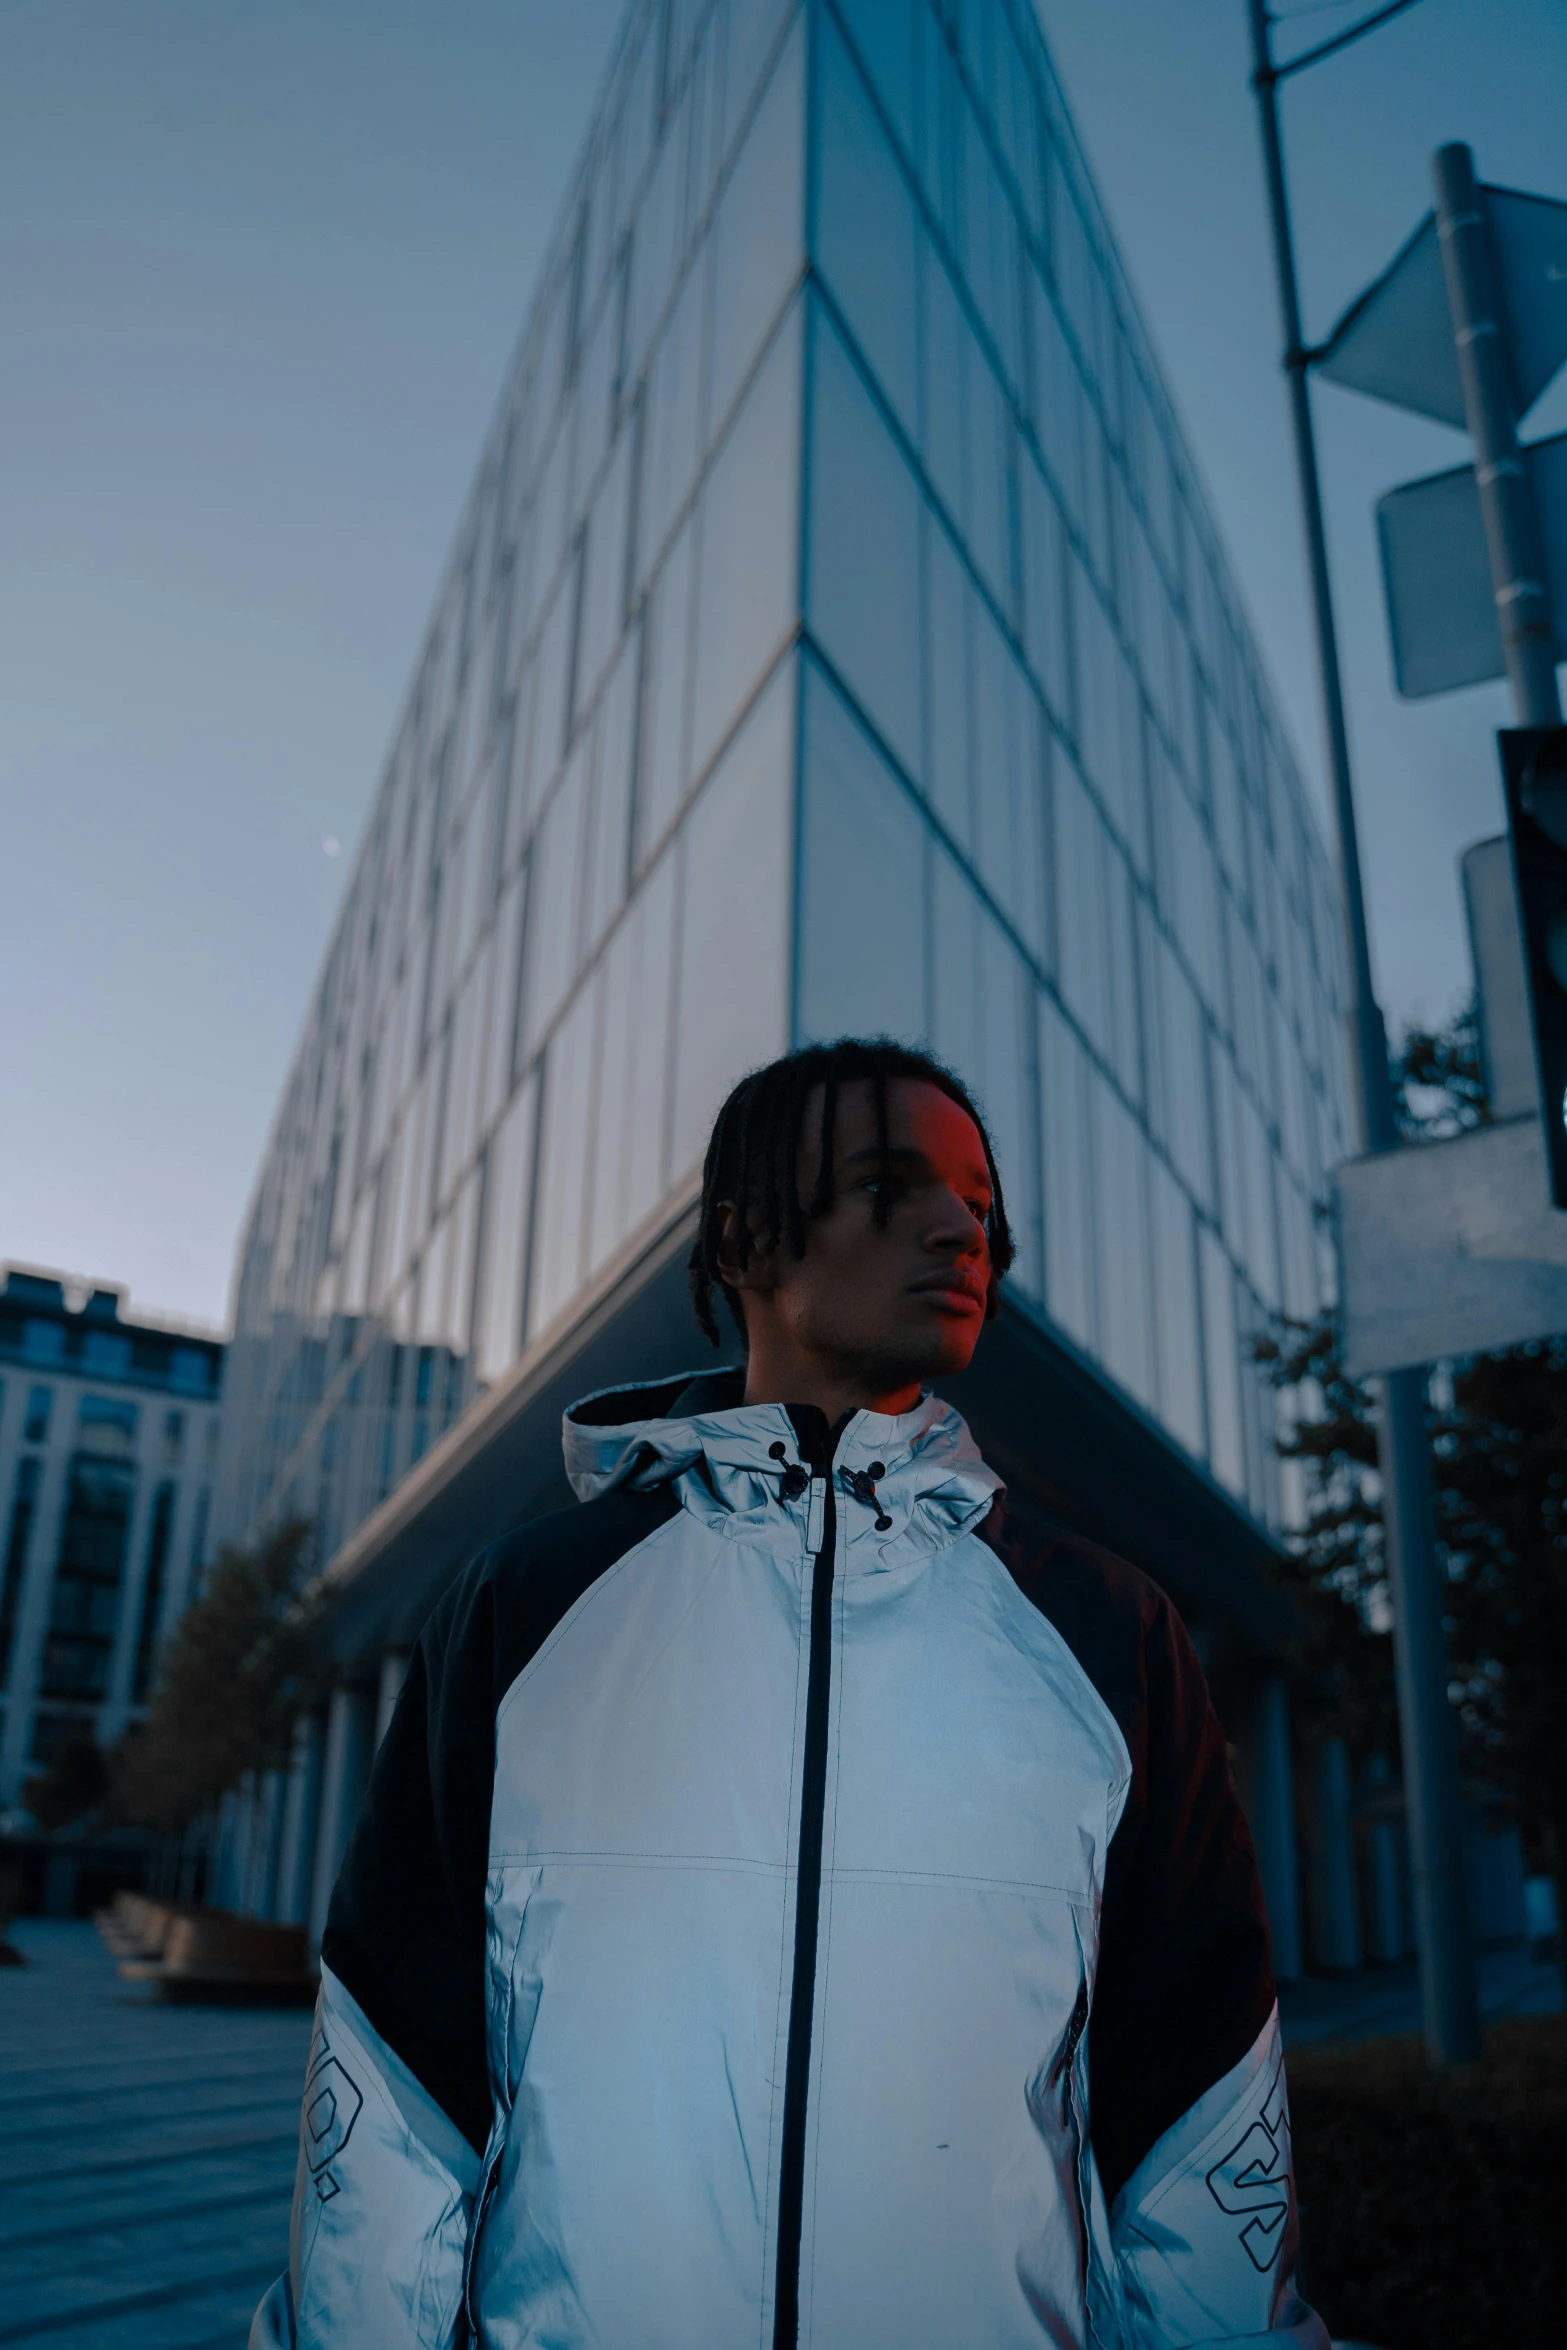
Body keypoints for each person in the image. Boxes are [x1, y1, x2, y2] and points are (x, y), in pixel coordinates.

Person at [253, 1036, 1325, 2350]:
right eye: (894, 1182)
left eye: (981, 1203)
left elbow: (1199, 2115)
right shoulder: (524, 1607)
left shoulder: (1106, 1633)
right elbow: (396, 2085)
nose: (959, 1227)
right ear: (744, 1234)